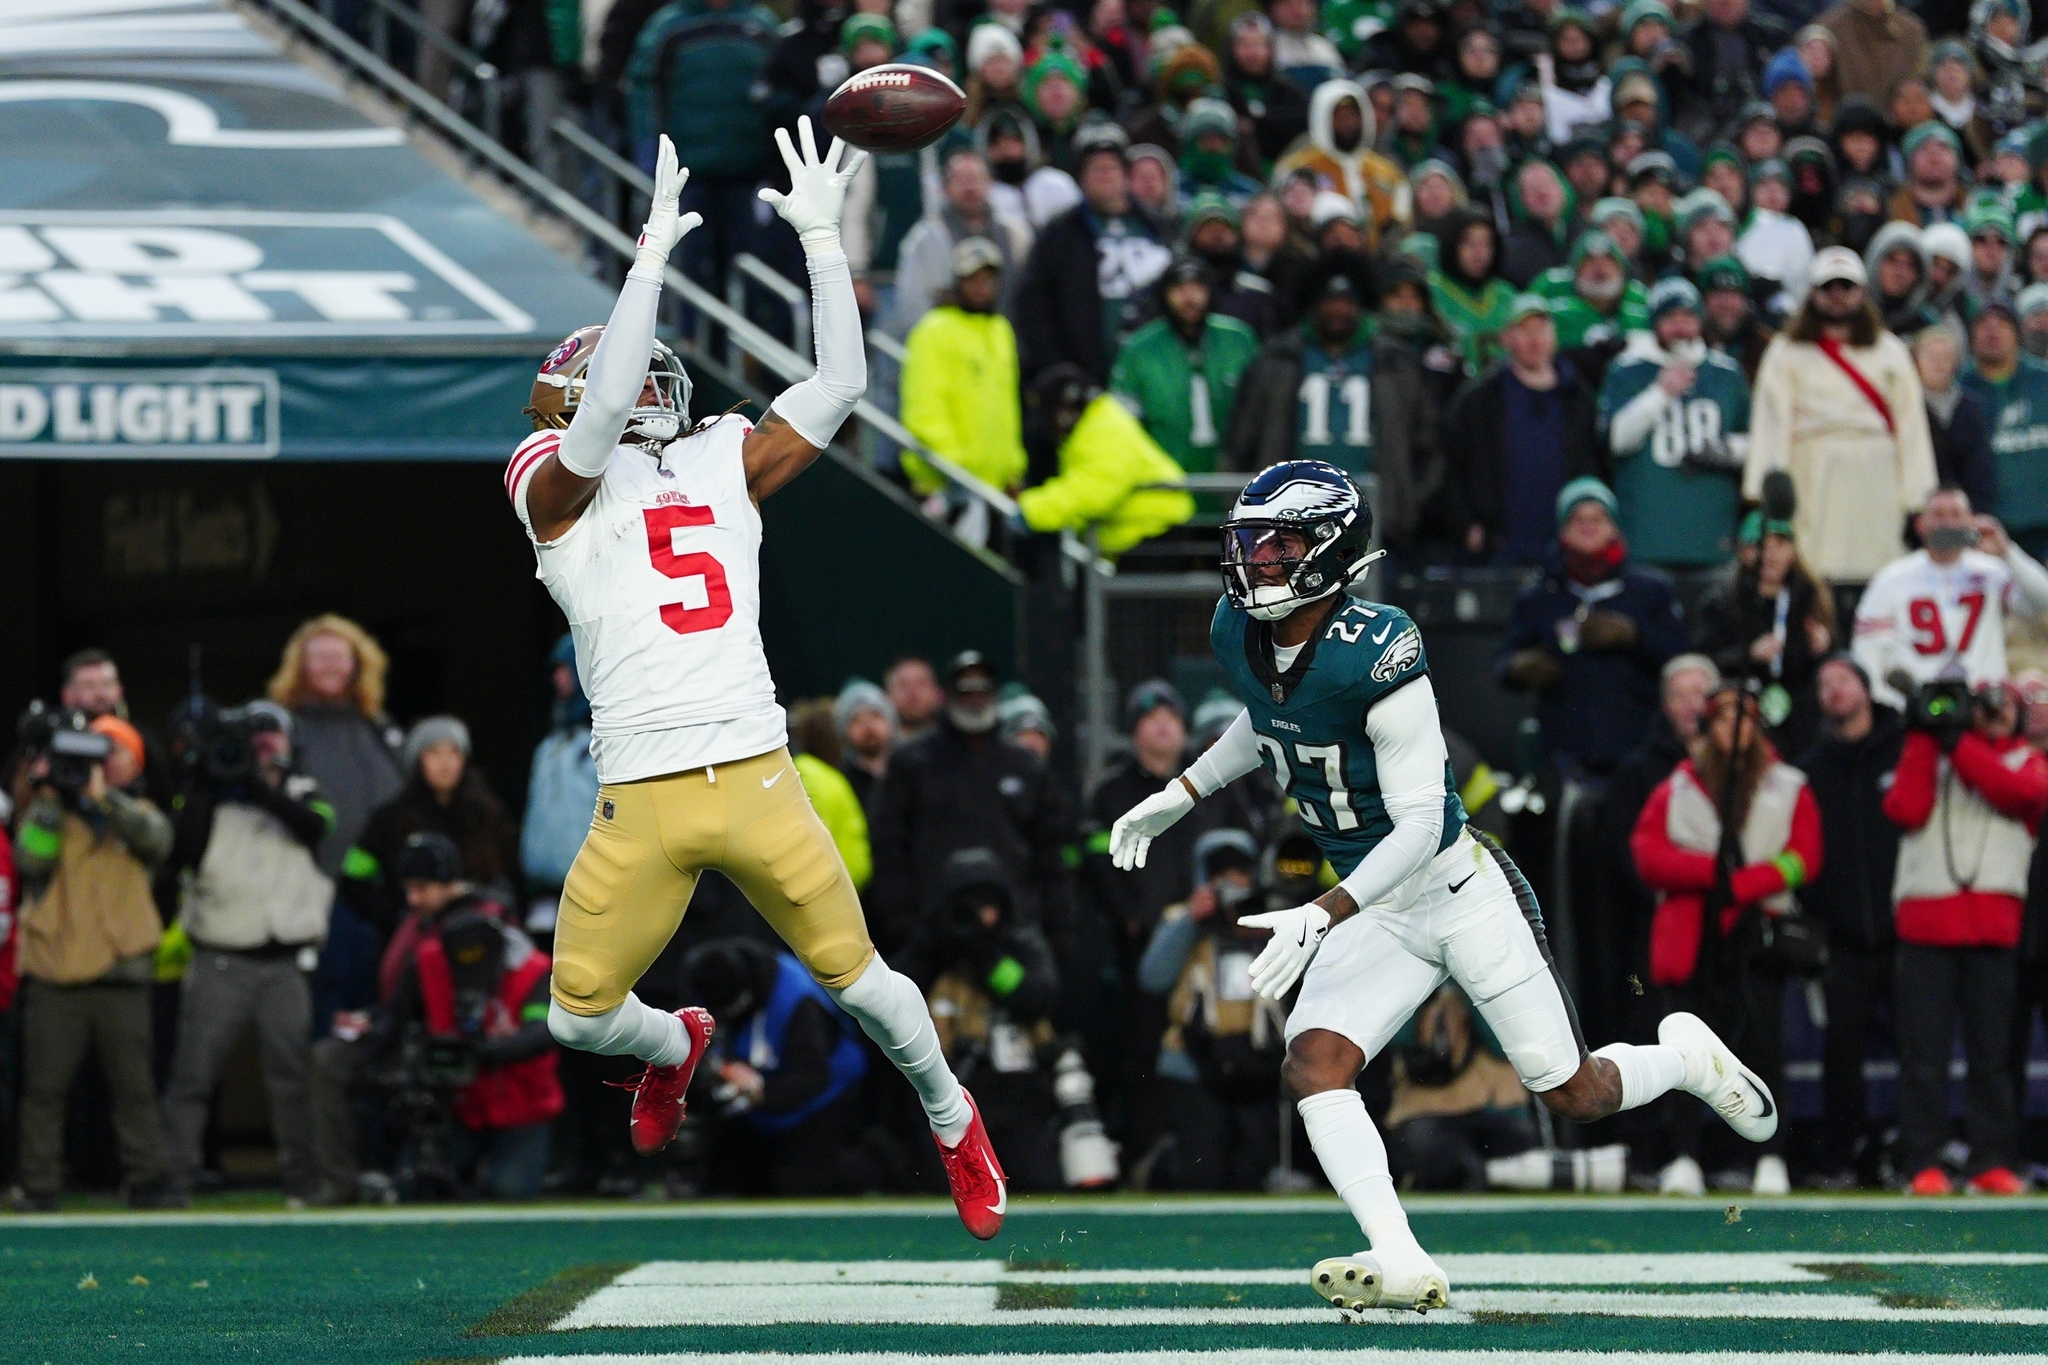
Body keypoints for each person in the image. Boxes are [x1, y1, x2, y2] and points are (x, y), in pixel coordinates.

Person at [1106, 461, 1779, 1309]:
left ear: (1324, 551)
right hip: (1372, 903)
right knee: (1314, 1064)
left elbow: (1422, 826)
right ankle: (1400, 1256)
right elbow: (1269, 714)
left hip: (1456, 889)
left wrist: (1322, 911)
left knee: (1573, 1092)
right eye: (1249, 541)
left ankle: (1684, 1059)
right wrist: (1180, 793)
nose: (1254, 561)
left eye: (1275, 544)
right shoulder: (1237, 632)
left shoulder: (1380, 650)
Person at [503, 129, 1007, 1237]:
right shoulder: (549, 479)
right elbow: (589, 432)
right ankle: (673, 1044)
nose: (650, 388)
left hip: (756, 765)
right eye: (629, 375)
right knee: (581, 1020)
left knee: (861, 979)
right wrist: (643, 262)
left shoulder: (720, 452)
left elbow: (840, 380)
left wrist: (824, 241)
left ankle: (949, 1113)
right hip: (642, 788)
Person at [1629, 682, 1820, 1197]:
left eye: (1745, 718)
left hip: (1755, 937)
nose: (1734, 730)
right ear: (1709, 727)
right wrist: (1705, 874)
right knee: (1686, 1054)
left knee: (1762, 1045)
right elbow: (1647, 854)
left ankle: (1771, 1157)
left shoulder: (1788, 784)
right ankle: (1686, 1156)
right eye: (1723, 719)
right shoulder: (1680, 786)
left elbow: (1804, 857)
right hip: (1692, 939)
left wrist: (1741, 885)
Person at [159, 703, 332, 1206]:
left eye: (268, 737)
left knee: (292, 1077)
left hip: (284, 963)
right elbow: (181, 850)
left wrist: (255, 784)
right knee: (192, 1076)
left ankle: (303, 1183)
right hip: (220, 959)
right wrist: (201, 778)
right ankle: (176, 1181)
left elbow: (316, 828)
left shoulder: (306, 792)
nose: (258, 748)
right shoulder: (205, 797)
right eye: (248, 740)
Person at [1884, 678, 2045, 1195]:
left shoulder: (2027, 762)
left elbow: (2015, 793)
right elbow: (1906, 809)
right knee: (1923, 1057)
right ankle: (1922, 1161)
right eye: (1982, 707)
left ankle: (1990, 1160)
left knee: (1992, 1058)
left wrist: (1959, 742)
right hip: (1926, 925)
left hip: (1993, 927)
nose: (1991, 715)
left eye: (2005, 708)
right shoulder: (1930, 753)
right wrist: (1926, 737)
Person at [9, 707, 174, 1210]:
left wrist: (105, 800)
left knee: (134, 1088)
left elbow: (158, 843)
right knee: (44, 1089)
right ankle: (38, 1186)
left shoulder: (136, 811)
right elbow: (29, 859)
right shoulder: (42, 811)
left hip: (121, 972)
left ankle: (147, 1181)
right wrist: (54, 802)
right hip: (56, 972)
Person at [362, 833, 563, 1200]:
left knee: (508, 1192)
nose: (469, 957)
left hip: (522, 1109)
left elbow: (544, 1032)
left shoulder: (532, 971)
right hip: (458, 1107)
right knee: (416, 1188)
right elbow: (395, 1018)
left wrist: (485, 1050)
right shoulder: (428, 960)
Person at [903, 848, 1096, 1193]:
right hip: (947, 1091)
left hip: (1017, 1090)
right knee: (945, 1190)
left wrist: (988, 960)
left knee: (1038, 1184)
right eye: (967, 909)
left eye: (987, 907)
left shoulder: (1018, 942)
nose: (979, 918)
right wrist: (936, 942)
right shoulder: (931, 946)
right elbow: (896, 1002)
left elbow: (1037, 997)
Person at [1744, 246, 1937, 587]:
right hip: (1813, 470)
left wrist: (1918, 500)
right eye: (1828, 287)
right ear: (1812, 294)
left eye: (1846, 287)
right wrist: (1770, 496)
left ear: (1861, 293)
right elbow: (1772, 424)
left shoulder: (1889, 350)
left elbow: (1911, 428)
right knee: (1814, 573)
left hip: (1876, 473)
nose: (1837, 296)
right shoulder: (1785, 351)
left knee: (1882, 573)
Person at [868, 650, 1075, 957]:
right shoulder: (913, 764)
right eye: (965, 691)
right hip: (931, 940)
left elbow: (1053, 855)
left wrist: (1057, 933)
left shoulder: (1026, 767)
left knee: (1025, 999)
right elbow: (888, 849)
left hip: (1012, 936)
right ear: (948, 696)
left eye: (982, 690)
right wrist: (903, 925)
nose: (974, 699)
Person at [1227, 259, 1443, 553]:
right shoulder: (1276, 360)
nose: (1338, 310)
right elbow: (1240, 444)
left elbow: (1431, 445)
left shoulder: (1396, 363)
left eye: (1347, 302)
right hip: (1290, 528)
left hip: (1378, 525)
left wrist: (1406, 503)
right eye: (1329, 302)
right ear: (1312, 305)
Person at [1797, 653, 1904, 1188]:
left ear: (1867, 687)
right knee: (1841, 1052)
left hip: (1905, 933)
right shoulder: (1813, 769)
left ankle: (1917, 1157)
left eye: (1843, 680)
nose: (1833, 691)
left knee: (1920, 1051)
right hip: (1842, 938)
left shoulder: (1905, 747)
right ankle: (1842, 1159)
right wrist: (1820, 913)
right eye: (1823, 684)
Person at [1499, 479, 1690, 778]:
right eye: (1577, 519)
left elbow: (1683, 660)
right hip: (1564, 753)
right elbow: (1503, 663)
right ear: (1562, 529)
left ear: (1614, 526)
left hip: (1638, 751)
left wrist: (1635, 635)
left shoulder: (1651, 591)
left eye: (1598, 518)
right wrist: (1520, 667)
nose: (1588, 526)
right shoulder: (1540, 596)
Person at [1137, 827, 1290, 1191]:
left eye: (1240, 872)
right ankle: (1166, 1161)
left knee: (1252, 1176)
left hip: (1258, 1062)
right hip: (1194, 1063)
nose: (1232, 883)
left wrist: (1263, 924)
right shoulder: (1180, 919)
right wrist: (1194, 918)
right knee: (1203, 1174)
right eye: (1221, 874)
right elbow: (1152, 978)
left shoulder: (1268, 918)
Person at [682, 936, 879, 1195]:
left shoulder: (797, 999)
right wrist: (719, 1070)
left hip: (825, 1091)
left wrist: (759, 1089)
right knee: (729, 1182)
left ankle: (879, 1161)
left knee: (793, 1186)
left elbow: (813, 1075)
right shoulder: (704, 985)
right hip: (757, 1093)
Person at [1598, 277, 1751, 571]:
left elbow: (1757, 442)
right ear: (1655, 321)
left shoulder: (1726, 374)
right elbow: (1617, 440)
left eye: (1688, 317)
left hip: (1711, 531)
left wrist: (1726, 450)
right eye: (1671, 318)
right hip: (1646, 536)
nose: (1681, 327)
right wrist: (1660, 393)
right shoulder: (1627, 371)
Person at [1441, 297, 1604, 565]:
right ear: (1506, 338)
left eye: (1541, 329)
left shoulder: (1580, 397)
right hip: (1499, 548)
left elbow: (1596, 463)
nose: (1534, 340)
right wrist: (1466, 526)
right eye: (1524, 330)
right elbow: (1451, 463)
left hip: (1569, 549)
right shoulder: (1480, 397)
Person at [1852, 487, 2048, 711]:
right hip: (1918, 707)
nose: (1946, 523)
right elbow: (1869, 654)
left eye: (1955, 514)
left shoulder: (1991, 571)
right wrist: (1893, 708)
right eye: (1937, 515)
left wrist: (2007, 552)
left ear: (1971, 522)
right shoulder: (1890, 580)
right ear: (1920, 524)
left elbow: (2043, 601)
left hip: (1982, 706)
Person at [1011, 122, 1171, 387]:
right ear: (1080, 177)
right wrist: (1057, 369)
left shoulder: (1157, 226)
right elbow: (1033, 306)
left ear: (1125, 174)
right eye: (1095, 168)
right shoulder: (1060, 234)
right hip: (1085, 376)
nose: (1105, 175)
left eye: (1111, 167)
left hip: (1156, 375)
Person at [346, 718, 520, 935]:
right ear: (418, 761)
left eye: (454, 753)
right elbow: (353, 876)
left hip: (478, 936)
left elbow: (508, 874)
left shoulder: (488, 815)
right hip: (413, 939)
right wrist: (394, 916)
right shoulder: (390, 818)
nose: (445, 763)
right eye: (434, 753)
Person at [900, 237, 1030, 520]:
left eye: (988, 279)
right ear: (957, 281)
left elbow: (1007, 407)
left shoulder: (1000, 329)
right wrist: (957, 469)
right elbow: (924, 408)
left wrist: (1013, 468)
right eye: (973, 279)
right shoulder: (933, 330)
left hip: (994, 489)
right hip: (948, 487)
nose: (981, 288)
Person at [266, 615, 403, 878]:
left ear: (357, 664)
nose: (331, 666)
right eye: (320, 658)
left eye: (339, 658)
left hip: (382, 887)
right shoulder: (283, 730)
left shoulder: (380, 727)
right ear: (300, 666)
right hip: (310, 883)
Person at [1694, 510, 1837, 757]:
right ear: (1743, 552)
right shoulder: (1723, 603)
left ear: (1793, 550)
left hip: (1803, 726)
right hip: (1742, 721)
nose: (1770, 556)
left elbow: (1841, 667)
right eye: (1760, 546)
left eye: (1780, 545)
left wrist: (1825, 651)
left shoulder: (1812, 599)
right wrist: (1748, 655)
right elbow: (1703, 662)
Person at [1015, 364, 1196, 555]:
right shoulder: (1095, 422)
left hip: (1154, 531)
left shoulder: (1103, 429)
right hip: (1144, 529)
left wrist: (1033, 510)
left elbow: (1094, 489)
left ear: (1066, 409)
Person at [1109, 256, 1261, 474]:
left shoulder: (1239, 340)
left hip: (1233, 480)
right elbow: (1122, 422)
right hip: (1163, 480)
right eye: (1179, 288)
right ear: (1164, 295)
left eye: (1198, 287)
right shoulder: (1139, 349)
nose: (1190, 297)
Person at [891, 149, 1034, 337]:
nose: (970, 187)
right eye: (960, 180)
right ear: (945, 188)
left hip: (1004, 344)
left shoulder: (1016, 234)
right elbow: (911, 305)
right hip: (947, 346)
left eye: (975, 178)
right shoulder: (926, 239)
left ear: (990, 183)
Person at [520, 635, 599, 939]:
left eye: (566, 668)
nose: (557, 677)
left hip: (595, 894)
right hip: (545, 897)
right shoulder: (551, 746)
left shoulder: (611, 742)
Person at [1271, 80, 1410, 250]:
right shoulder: (1296, 167)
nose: (1348, 123)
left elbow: (1401, 223)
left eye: (1354, 115)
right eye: (1339, 116)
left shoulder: (1388, 172)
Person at [1961, 302, 2048, 556]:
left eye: (2002, 323)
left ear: (2018, 333)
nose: (1992, 331)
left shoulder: (2043, 381)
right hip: (1986, 534)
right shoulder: (1959, 390)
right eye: (1983, 325)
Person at [1915, 326, 1995, 510]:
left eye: (1945, 357)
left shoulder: (1972, 407)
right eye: (1931, 356)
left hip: (1968, 511)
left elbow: (1981, 468)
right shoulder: (1905, 408)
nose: (1938, 363)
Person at [1818, 0, 1927, 105]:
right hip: (1848, 119)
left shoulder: (1911, 31)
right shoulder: (1829, 29)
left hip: (1900, 120)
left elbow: (1919, 79)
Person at [833, 678, 897, 808]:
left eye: (875, 716)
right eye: (857, 720)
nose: (868, 727)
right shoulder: (839, 782)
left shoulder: (909, 773)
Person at [885, 656, 944, 742]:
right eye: (904, 685)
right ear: (888, 694)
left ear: (937, 692)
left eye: (921, 684)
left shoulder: (956, 740)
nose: (913, 693)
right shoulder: (879, 745)